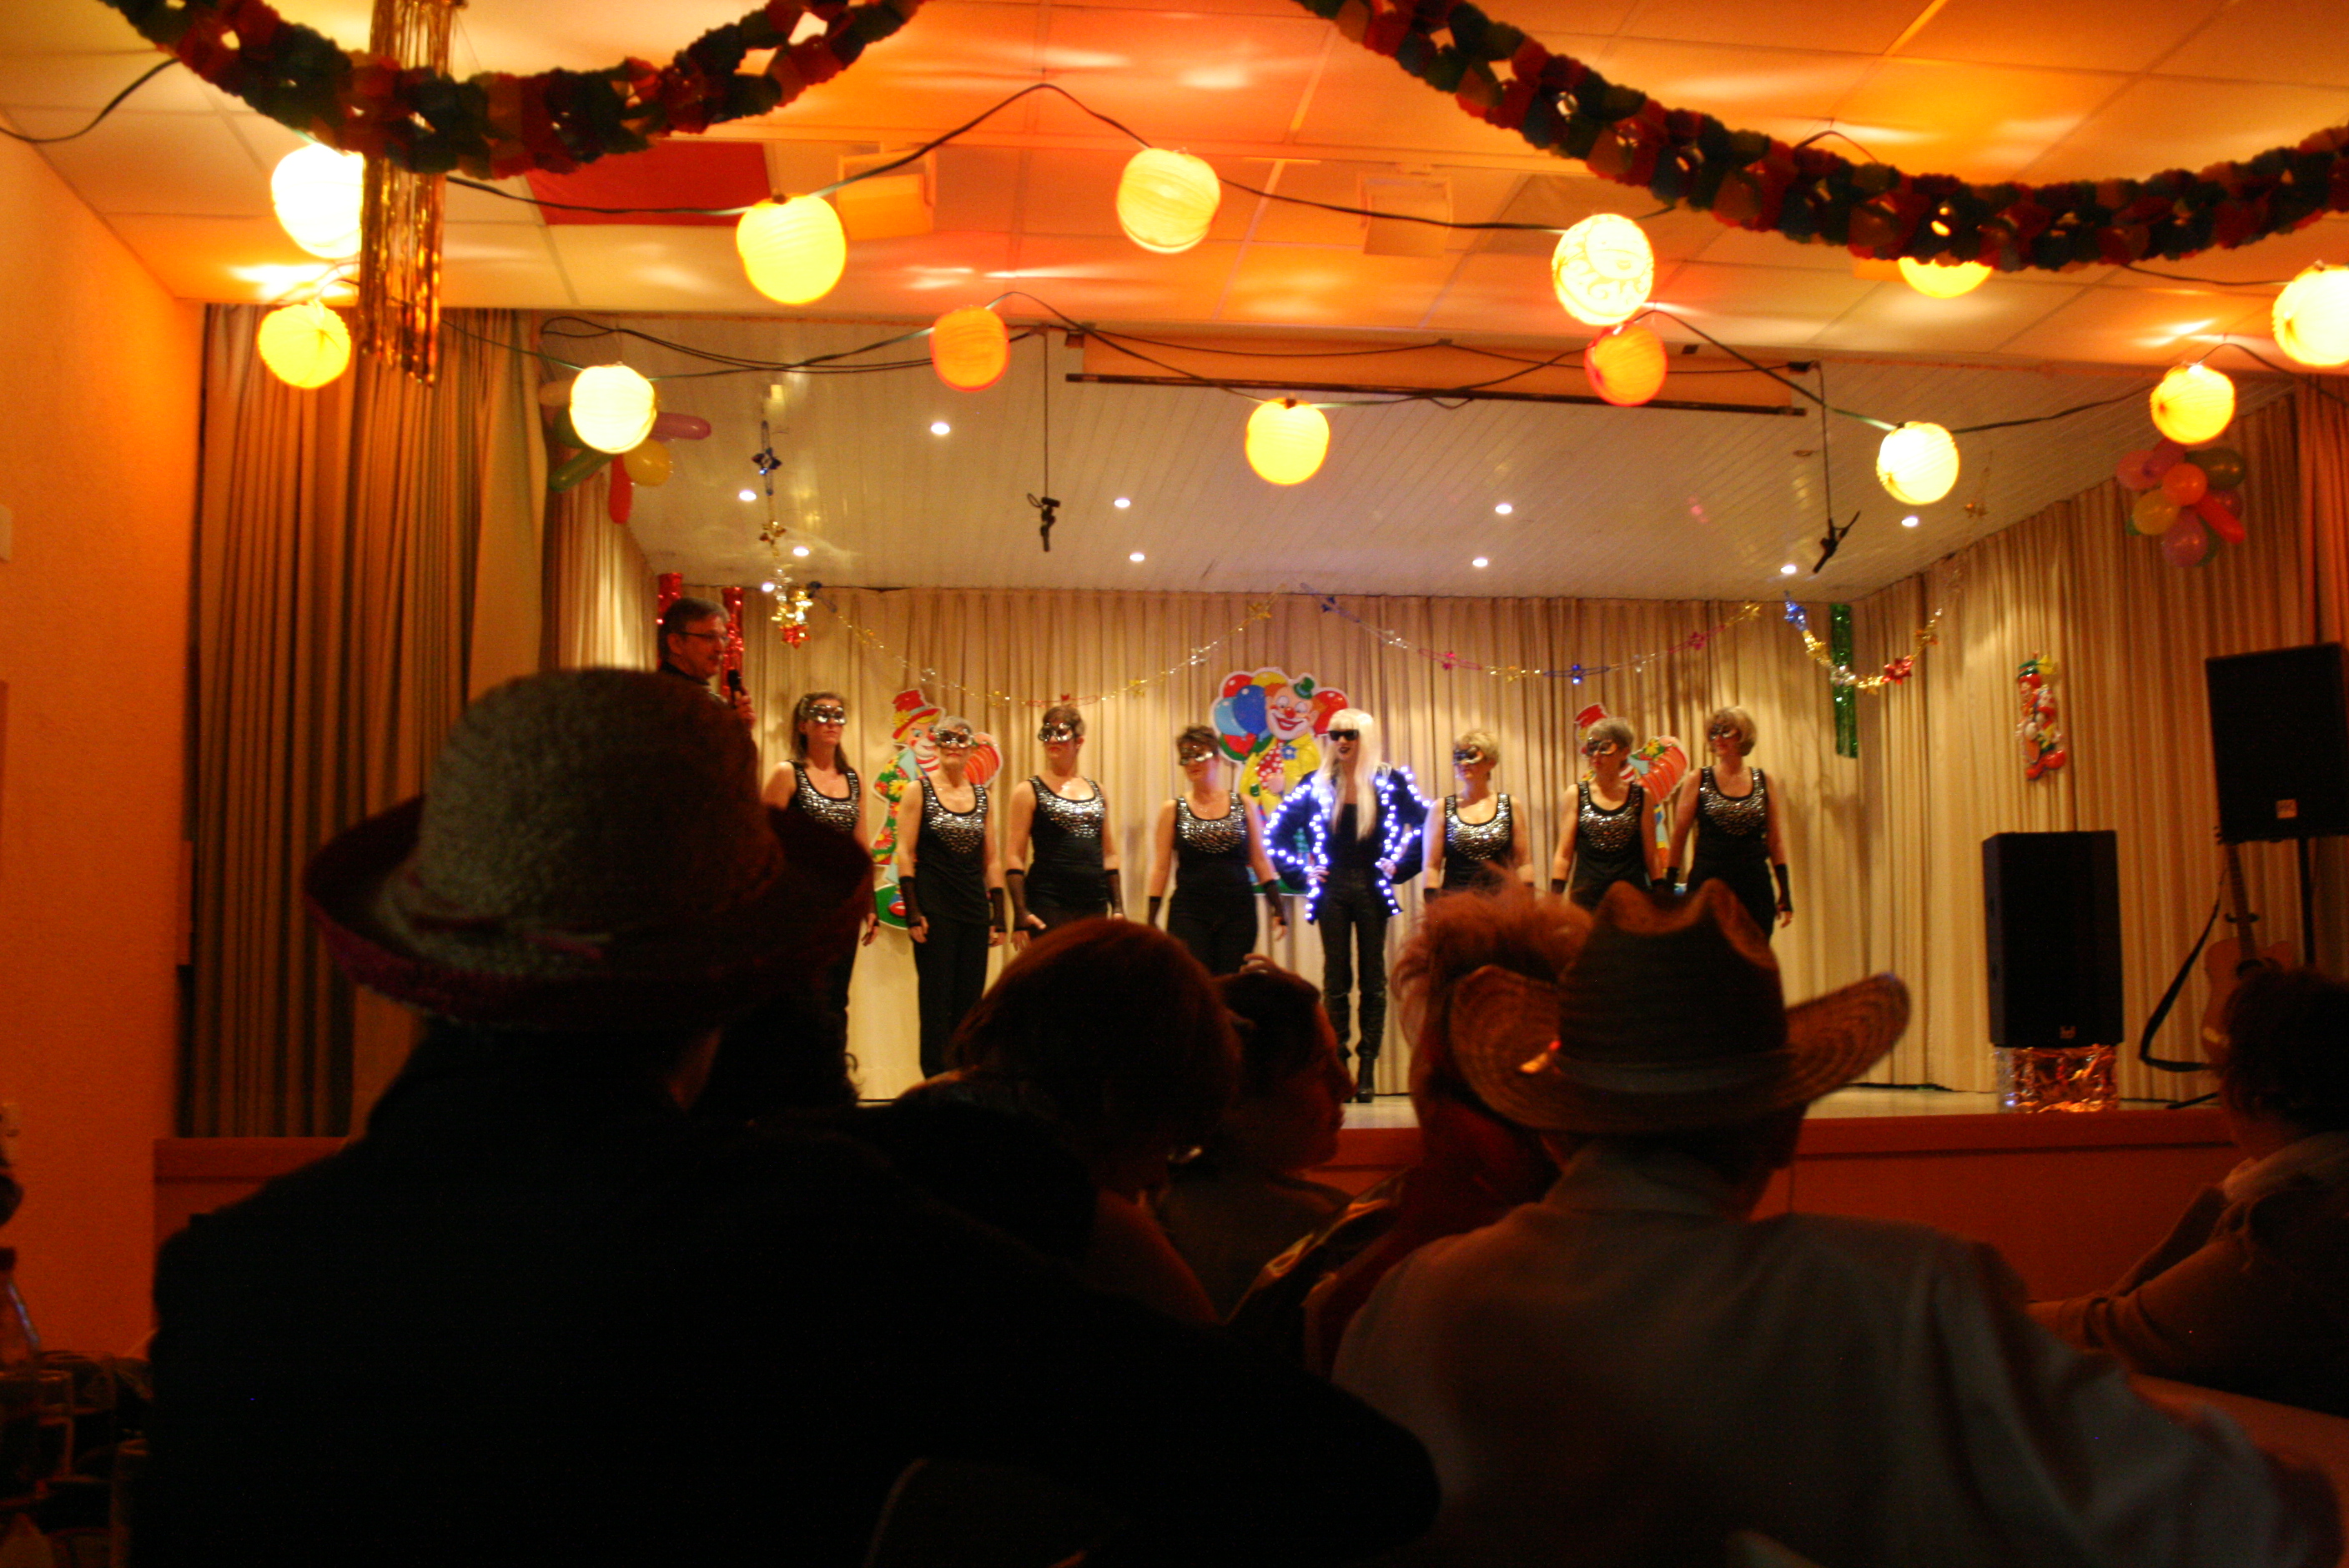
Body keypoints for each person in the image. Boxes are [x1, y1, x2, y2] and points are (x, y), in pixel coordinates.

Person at [145, 670, 1441, 1568]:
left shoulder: (233, 1272)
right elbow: (1356, 1477)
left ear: (422, 966)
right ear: (731, 983)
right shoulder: (811, 1232)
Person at [1334, 882, 2339, 1568]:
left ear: (1553, 1122)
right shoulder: (1902, 1298)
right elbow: (2247, 1523)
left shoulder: (1409, 1302)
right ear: (1783, 1121)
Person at [1227, 887, 1572, 1373]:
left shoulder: (1364, 1267)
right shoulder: (1625, 1243)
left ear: (1433, 1053)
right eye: (1320, 1065)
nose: (1345, 1086)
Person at [2033, 966, 2349, 1415]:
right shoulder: (2302, 1191)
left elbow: (2122, 1330)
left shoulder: (2291, 1231)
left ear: (2256, 1091)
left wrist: (1977, 1310)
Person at [909, 919, 1239, 1321]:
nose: (1159, 1178)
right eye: (1166, 1147)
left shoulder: (914, 1128)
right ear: (1118, 1097)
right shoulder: (1093, 1226)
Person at [1156, 958, 1355, 1316]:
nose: (1346, 1085)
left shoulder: (1159, 1208)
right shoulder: (1324, 1234)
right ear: (1237, 1090)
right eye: (1319, 1067)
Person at [1267, 709, 1427, 1101]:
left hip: (1373, 887)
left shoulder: (1388, 780)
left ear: (1364, 737)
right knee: (1335, 980)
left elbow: (1430, 823)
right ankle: (1338, 1065)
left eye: (1350, 734)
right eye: (1335, 734)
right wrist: (1304, 872)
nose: (1341, 741)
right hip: (1333, 888)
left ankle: (1367, 1067)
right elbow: (1277, 833)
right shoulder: (1317, 783)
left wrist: (1400, 865)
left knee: (1373, 979)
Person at [762, 690, 878, 1051]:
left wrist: (869, 903)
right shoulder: (788, 773)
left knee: (837, 997)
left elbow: (861, 844)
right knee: (801, 996)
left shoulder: (853, 778)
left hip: (842, 902)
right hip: (800, 904)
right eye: (821, 714)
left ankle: (834, 1075)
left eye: (838, 715)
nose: (831, 722)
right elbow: (764, 839)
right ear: (803, 725)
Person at [894, 714, 1008, 1079]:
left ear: (972, 749)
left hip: (973, 909)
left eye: (961, 740)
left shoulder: (983, 796)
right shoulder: (919, 790)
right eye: (946, 738)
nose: (953, 746)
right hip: (935, 907)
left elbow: (992, 859)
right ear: (937, 745)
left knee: (970, 1006)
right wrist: (913, 910)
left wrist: (999, 914)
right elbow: (904, 851)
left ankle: (964, 1079)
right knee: (935, 1001)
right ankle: (934, 1081)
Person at [1145, 726, 1287, 975]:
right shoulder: (1172, 810)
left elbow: (1260, 859)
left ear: (1217, 759)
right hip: (1190, 911)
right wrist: (1150, 918)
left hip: (1238, 910)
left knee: (1231, 981)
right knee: (1195, 980)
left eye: (1199, 755)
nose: (1192, 762)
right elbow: (1161, 867)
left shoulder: (1244, 804)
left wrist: (1278, 907)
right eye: (1186, 757)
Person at [1668, 704, 1789, 940]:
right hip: (1709, 886)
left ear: (1743, 734)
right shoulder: (1698, 779)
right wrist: (1667, 887)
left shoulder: (1764, 780)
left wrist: (1785, 891)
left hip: (1754, 888)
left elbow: (1775, 840)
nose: (1718, 738)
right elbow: (1679, 835)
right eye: (1713, 732)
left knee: (1754, 957)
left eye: (1726, 731)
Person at [1003, 704, 1119, 942]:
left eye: (1061, 733)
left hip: (1094, 903)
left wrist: (1117, 907)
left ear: (1079, 741)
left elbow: (1109, 853)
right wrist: (1020, 911)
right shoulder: (1027, 791)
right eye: (1048, 733)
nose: (1053, 740)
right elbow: (1014, 855)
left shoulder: (1098, 791)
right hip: (1049, 902)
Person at [1550, 715, 1660, 908]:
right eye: (1592, 747)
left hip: (1631, 898)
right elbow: (1564, 854)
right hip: (1587, 898)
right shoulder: (1576, 794)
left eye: (1605, 748)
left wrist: (1661, 893)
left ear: (1624, 752)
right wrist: (1554, 898)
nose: (1596, 755)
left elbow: (1651, 854)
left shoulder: (1642, 796)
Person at [1422, 728, 1527, 897]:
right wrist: (1432, 908)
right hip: (1455, 903)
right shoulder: (1441, 808)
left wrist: (1528, 902)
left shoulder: (1511, 805)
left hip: (1503, 902)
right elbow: (1431, 866)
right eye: (1459, 757)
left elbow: (1524, 863)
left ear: (1491, 762)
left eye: (1471, 757)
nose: (1463, 763)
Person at [653, 594, 754, 728]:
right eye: (709, 637)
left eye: (723, 638)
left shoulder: (703, 698)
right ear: (676, 643)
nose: (720, 648)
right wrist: (727, 728)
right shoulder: (659, 700)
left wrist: (735, 726)